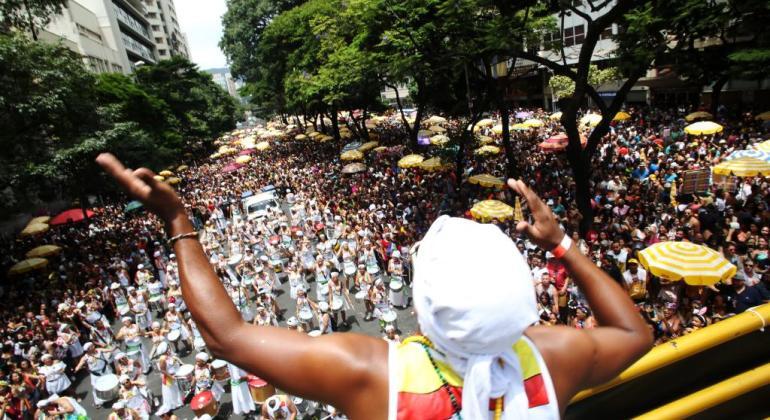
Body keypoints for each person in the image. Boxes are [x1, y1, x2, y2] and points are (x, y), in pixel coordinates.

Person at [97, 154, 652, 419]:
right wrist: (561, 244)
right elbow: (634, 332)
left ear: (422, 301)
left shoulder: (373, 374)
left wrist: (177, 220)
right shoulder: (556, 356)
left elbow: (228, 337)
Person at [74, 342, 113, 408]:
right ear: (88, 349)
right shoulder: (85, 357)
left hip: (104, 370)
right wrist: (76, 369)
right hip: (96, 374)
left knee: (110, 382)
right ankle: (98, 402)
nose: (93, 346)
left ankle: (113, 395)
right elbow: (79, 364)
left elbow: (108, 350)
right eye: (91, 346)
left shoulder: (99, 350)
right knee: (96, 388)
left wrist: (113, 348)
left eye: (93, 345)